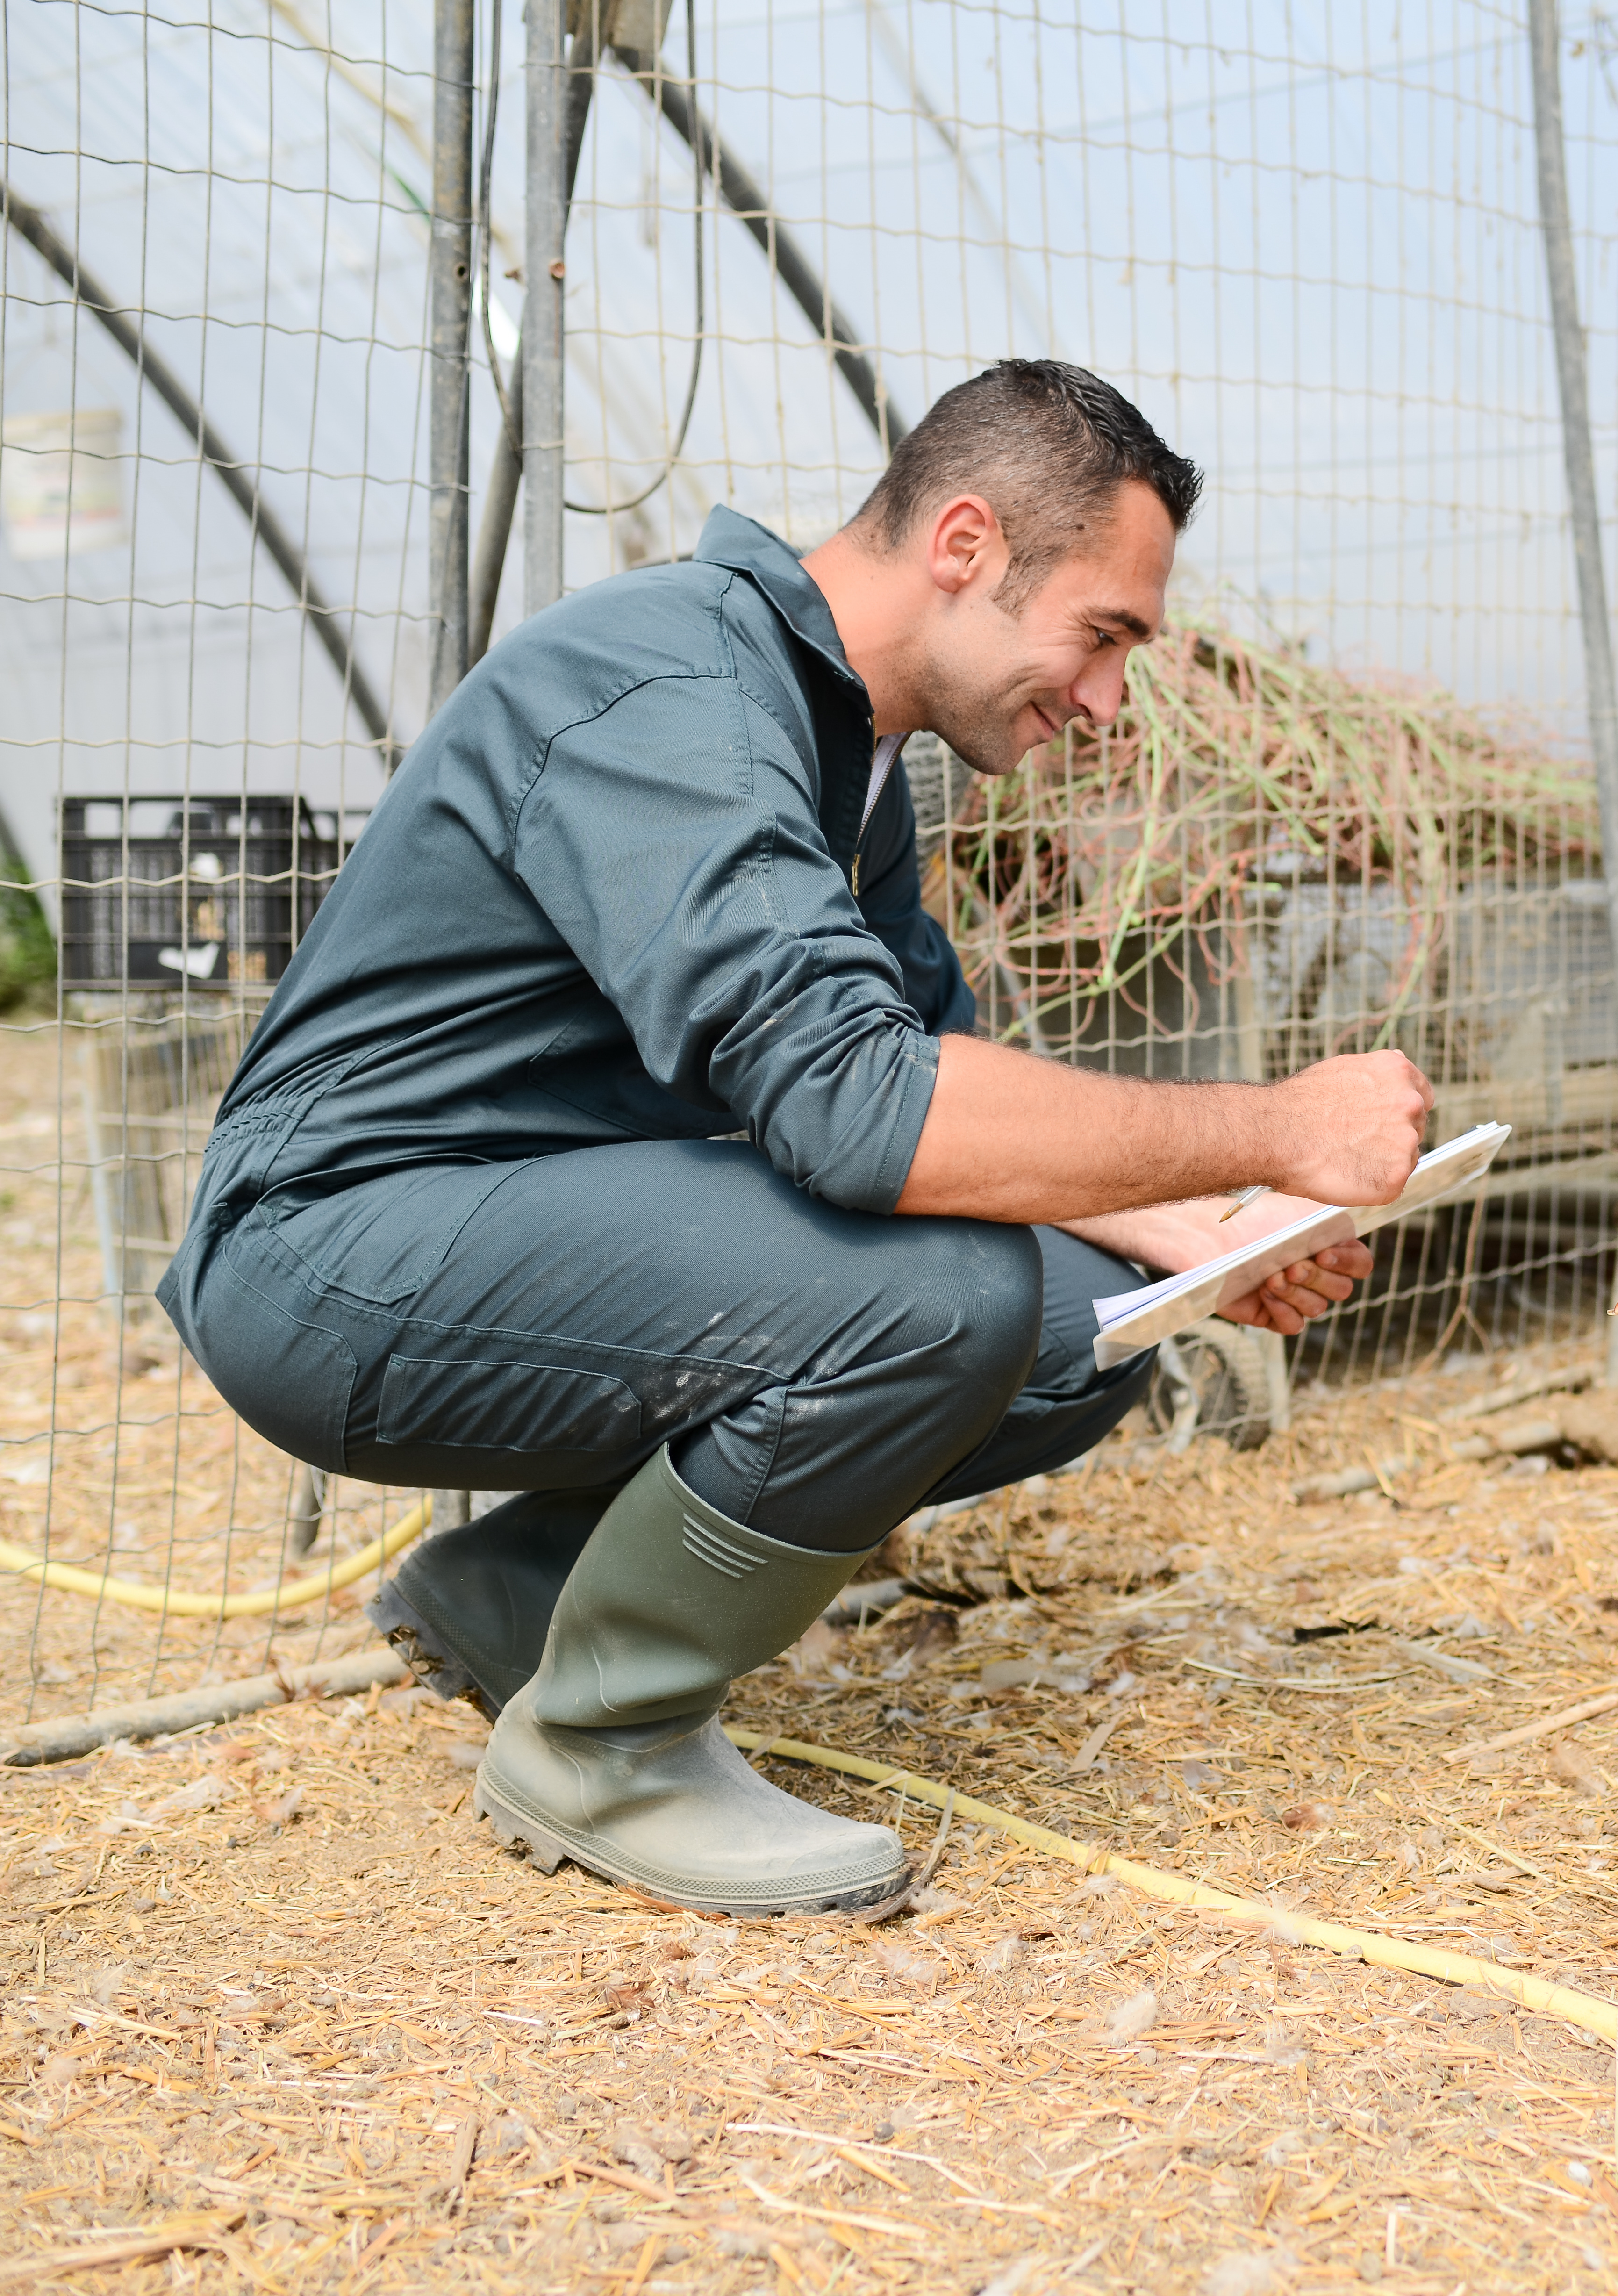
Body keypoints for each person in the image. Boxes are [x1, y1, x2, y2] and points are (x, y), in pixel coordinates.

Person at [164, 362, 1431, 1916]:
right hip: (333, 1257)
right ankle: (601, 1749)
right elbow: (866, 1116)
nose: (1109, 701)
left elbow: (929, 1075)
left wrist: (1196, 1236)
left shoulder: (849, 756)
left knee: (1076, 1324)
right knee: (945, 1302)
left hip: (509, 1213)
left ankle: (529, 1598)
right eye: (1105, 635)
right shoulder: (671, 694)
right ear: (965, 544)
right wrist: (1280, 1128)